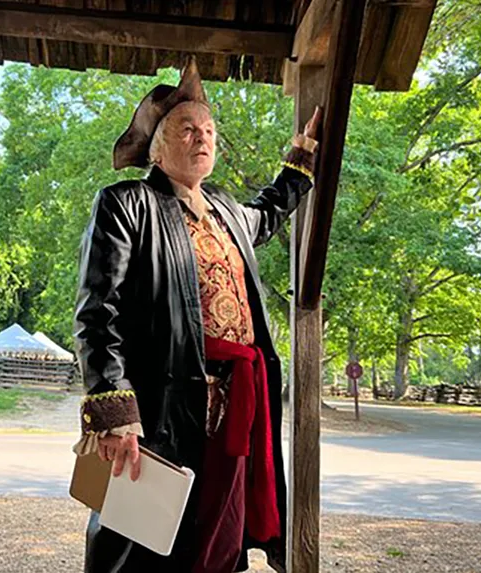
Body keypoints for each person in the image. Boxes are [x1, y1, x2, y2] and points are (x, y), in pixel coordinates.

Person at [71, 57, 321, 573]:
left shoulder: (228, 210)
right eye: (187, 128)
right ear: (158, 148)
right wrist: (117, 413)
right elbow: (99, 312)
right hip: (162, 405)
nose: (202, 137)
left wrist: (300, 159)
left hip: (236, 406)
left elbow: (270, 209)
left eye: (208, 129)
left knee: (221, 540)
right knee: (143, 538)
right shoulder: (128, 204)